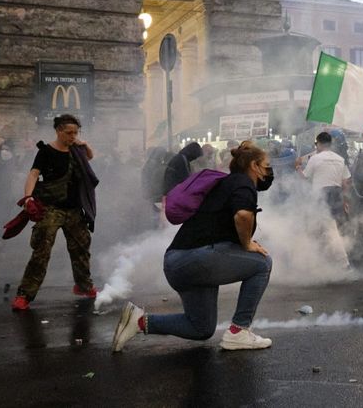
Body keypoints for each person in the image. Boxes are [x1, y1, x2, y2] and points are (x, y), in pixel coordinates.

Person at [112, 141, 275, 352]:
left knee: (201, 328)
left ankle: (140, 321)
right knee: (262, 263)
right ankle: (239, 331)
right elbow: (243, 215)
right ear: (254, 165)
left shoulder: (226, 183)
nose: (269, 171)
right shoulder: (243, 183)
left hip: (179, 262)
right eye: (266, 164)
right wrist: (247, 244)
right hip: (195, 259)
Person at [11, 114, 99, 311]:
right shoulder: (46, 151)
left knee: (81, 249)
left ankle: (84, 286)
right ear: (58, 131)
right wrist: (28, 197)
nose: (73, 136)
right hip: (51, 208)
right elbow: (34, 173)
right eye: (69, 132)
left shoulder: (77, 149)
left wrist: (84, 144)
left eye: (76, 132)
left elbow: (90, 157)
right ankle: (24, 294)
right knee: (41, 251)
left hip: (74, 209)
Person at [300, 131, 352, 265]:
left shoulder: (315, 158)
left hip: (322, 195)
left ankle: (343, 262)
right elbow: (346, 182)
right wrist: (345, 200)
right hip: (338, 194)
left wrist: (297, 168)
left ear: (318, 144)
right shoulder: (340, 159)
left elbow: (305, 177)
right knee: (335, 226)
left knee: (327, 228)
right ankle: (328, 259)